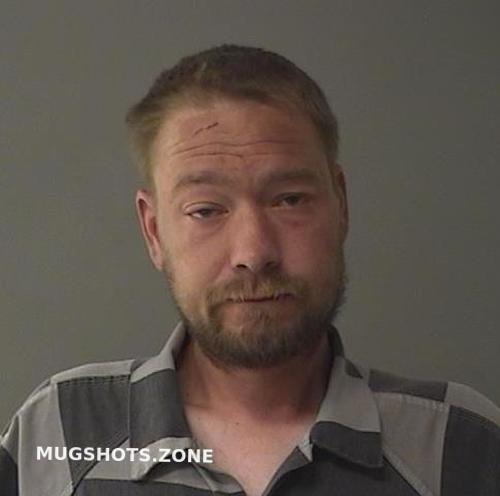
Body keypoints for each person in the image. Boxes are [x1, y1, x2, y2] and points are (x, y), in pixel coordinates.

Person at [1, 44, 499, 496]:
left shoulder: (457, 443)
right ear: (153, 231)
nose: (254, 252)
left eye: (289, 200)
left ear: (341, 205)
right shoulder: (60, 431)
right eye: (205, 210)